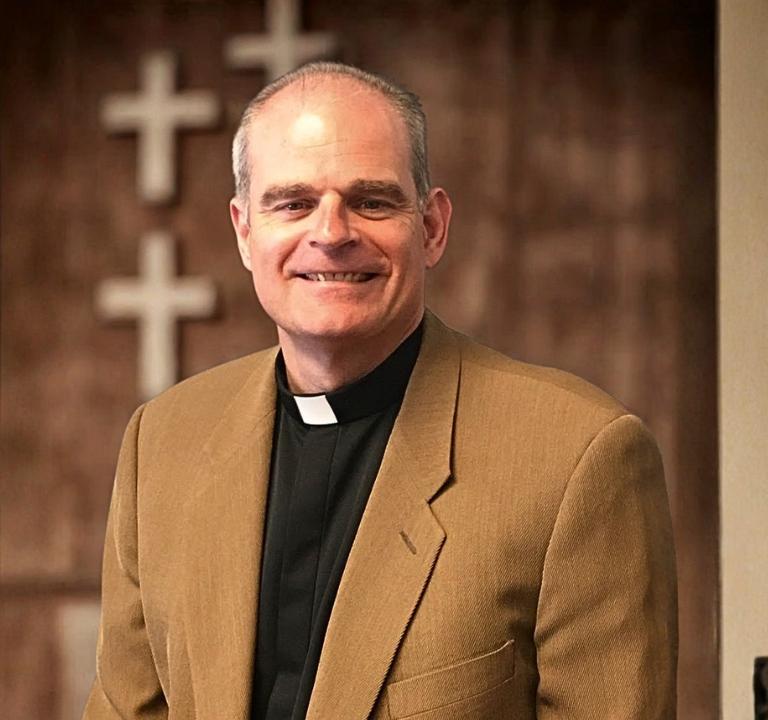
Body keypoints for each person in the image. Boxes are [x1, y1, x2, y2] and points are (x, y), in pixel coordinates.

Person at [84, 62, 677, 720]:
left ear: (432, 228)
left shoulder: (576, 459)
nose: (331, 233)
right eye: (293, 203)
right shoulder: (161, 442)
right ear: (245, 232)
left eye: (371, 201)